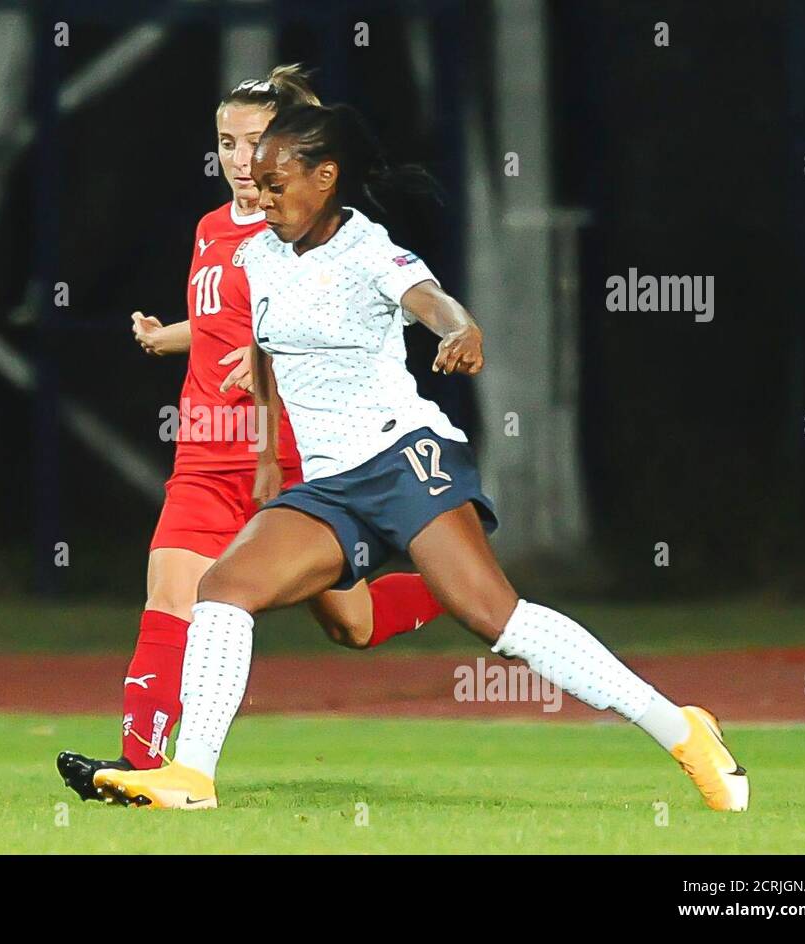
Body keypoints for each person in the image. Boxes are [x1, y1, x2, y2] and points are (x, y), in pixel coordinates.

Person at [94, 102, 749, 812]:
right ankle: (192, 778)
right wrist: (264, 440)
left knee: (499, 620)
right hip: (328, 486)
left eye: (278, 183)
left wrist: (462, 329)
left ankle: (682, 729)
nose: (262, 196)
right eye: (257, 180)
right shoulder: (258, 257)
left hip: (401, 456)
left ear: (326, 177)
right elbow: (264, 343)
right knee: (225, 589)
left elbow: (433, 301)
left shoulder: (368, 250)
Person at [57, 70, 448, 802]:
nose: (239, 158)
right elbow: (220, 324)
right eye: (226, 142)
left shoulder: (308, 232)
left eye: (255, 142)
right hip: (206, 455)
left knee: (352, 625)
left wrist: (274, 352)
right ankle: (139, 768)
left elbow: (354, 315)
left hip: (293, 461)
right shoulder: (209, 229)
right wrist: (166, 336)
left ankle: (451, 590)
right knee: (171, 595)